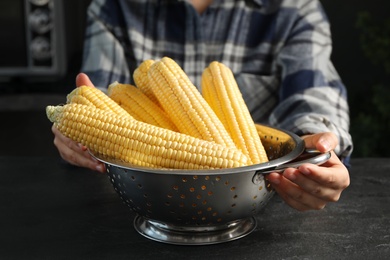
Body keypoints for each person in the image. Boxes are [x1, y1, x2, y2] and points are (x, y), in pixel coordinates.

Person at [52, 0, 353, 211]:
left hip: (259, 195)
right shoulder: (113, 7)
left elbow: (313, 94)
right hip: (149, 197)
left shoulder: (295, 8)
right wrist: (78, 133)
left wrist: (316, 150)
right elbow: (99, 97)